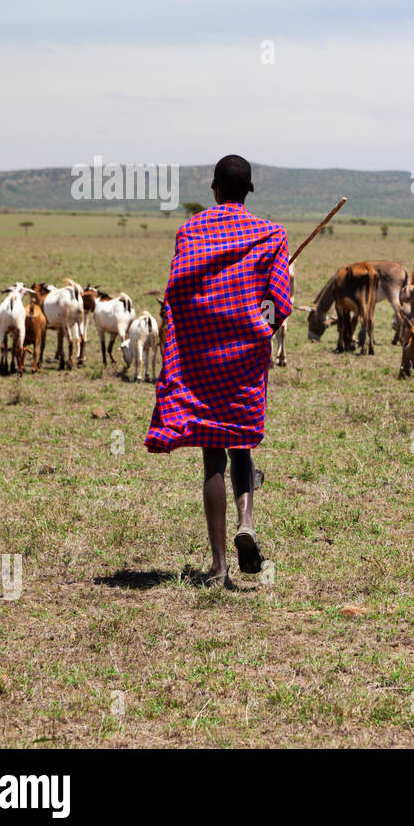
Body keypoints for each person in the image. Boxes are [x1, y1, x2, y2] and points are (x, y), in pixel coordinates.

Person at [145, 155, 292, 585]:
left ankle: (219, 565)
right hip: (244, 357)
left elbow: (179, 293)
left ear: (213, 188)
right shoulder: (271, 234)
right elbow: (278, 304)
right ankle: (247, 521)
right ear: (249, 191)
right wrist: (253, 327)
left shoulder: (190, 230)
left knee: (212, 453)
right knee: (241, 443)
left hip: (200, 357)